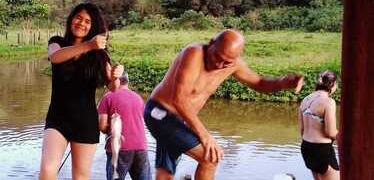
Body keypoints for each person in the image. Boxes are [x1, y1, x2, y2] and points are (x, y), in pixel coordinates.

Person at [144, 29, 304, 180]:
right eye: (217, 57)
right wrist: (205, 136)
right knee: (210, 157)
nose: (219, 65)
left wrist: (283, 83)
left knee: (165, 172)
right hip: (160, 113)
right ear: (211, 42)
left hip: (179, 121)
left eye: (226, 62)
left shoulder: (233, 65)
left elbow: (259, 83)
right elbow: (179, 99)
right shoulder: (193, 53)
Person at [39, 2, 124, 180]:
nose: (81, 23)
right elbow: (55, 57)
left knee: (81, 177)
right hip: (57, 119)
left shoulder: (100, 54)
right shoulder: (57, 43)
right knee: (47, 170)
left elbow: (113, 87)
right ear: (71, 19)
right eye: (78, 17)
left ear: (92, 27)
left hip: (86, 122)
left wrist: (116, 75)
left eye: (87, 21)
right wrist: (89, 45)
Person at [98, 71, 152, 180]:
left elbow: (102, 126)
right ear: (127, 81)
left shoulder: (108, 97)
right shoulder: (138, 98)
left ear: (113, 80)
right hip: (141, 146)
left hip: (119, 147)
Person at [299, 70, 339, 180]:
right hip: (322, 150)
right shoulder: (329, 102)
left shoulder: (305, 100)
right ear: (333, 84)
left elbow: (302, 130)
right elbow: (330, 132)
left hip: (306, 148)